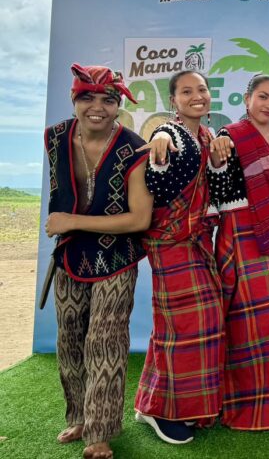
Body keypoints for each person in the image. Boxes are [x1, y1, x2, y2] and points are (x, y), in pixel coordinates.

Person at [44, 63, 152, 459]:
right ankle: (78, 417)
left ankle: (100, 433)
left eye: (108, 100)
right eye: (87, 97)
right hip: (70, 254)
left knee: (104, 340)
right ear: (74, 100)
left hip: (116, 256)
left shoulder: (134, 147)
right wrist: (67, 225)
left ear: (118, 105)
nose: (97, 107)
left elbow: (140, 219)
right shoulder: (55, 137)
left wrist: (71, 220)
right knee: (69, 337)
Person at [134, 71, 232, 445]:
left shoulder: (208, 137)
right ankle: (165, 412)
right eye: (186, 91)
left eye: (202, 90)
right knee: (187, 325)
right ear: (173, 101)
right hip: (171, 241)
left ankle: (149, 403)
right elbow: (159, 173)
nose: (196, 96)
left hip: (197, 241)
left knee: (178, 327)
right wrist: (159, 137)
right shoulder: (171, 135)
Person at [207, 74, 269, 430]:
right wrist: (217, 162)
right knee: (251, 322)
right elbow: (217, 190)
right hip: (244, 233)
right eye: (263, 97)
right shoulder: (229, 137)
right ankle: (245, 407)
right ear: (247, 99)